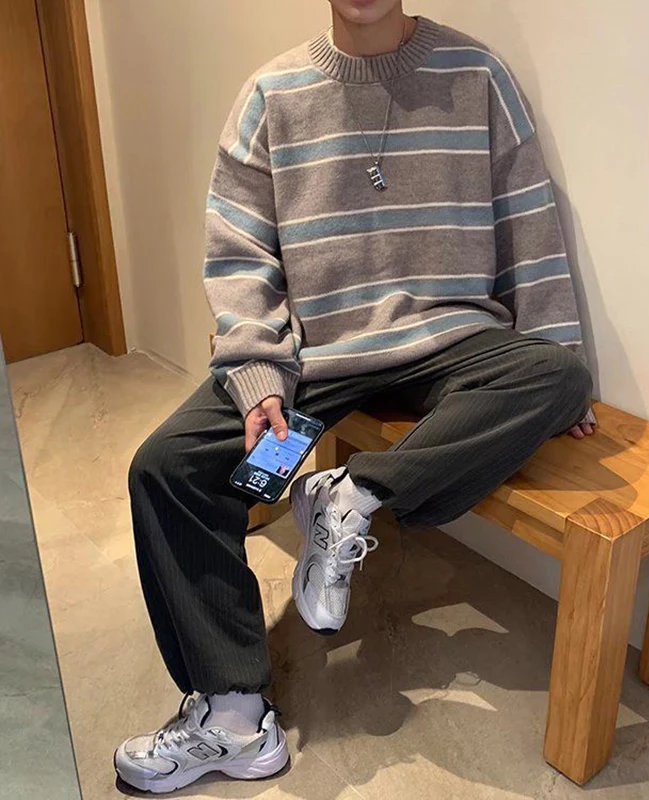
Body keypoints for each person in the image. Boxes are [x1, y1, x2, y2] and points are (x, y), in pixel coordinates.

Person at [114, 0, 595, 793]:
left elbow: (529, 219)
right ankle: (234, 716)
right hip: (317, 361)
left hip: (454, 340)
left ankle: (350, 495)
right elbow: (241, 259)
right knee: (167, 468)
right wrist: (260, 376)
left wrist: (557, 358)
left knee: (557, 375)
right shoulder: (271, 95)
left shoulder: (477, 75)